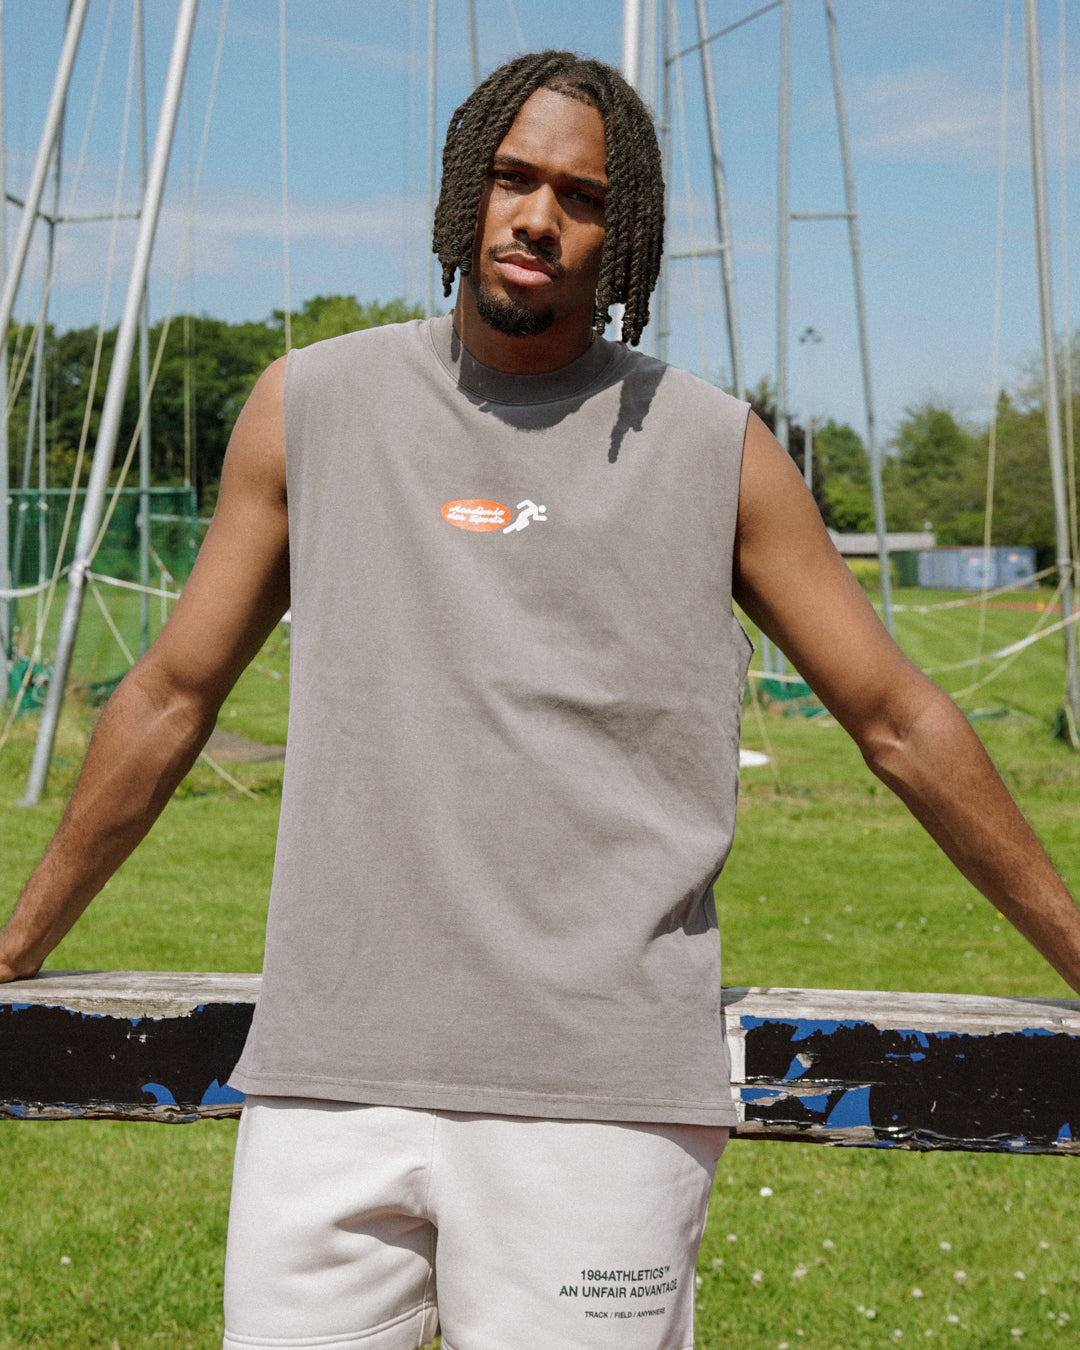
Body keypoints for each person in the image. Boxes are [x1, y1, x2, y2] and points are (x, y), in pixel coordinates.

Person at [2, 49, 1079, 1350]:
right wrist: (19, 941)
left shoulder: (713, 447)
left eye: (582, 197)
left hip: (602, 1107)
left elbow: (898, 719)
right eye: (513, 178)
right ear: (464, 189)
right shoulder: (312, 406)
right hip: (329, 1084)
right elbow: (174, 695)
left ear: (625, 237)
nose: (537, 217)